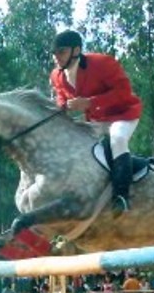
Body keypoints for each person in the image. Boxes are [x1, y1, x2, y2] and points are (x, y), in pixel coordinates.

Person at [49, 29, 142, 214]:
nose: (57, 57)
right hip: (96, 120)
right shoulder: (57, 75)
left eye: (61, 52)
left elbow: (124, 92)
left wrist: (91, 102)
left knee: (117, 139)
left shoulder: (102, 63)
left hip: (123, 114)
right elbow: (61, 97)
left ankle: (121, 196)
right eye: (54, 54)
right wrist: (62, 106)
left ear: (76, 50)